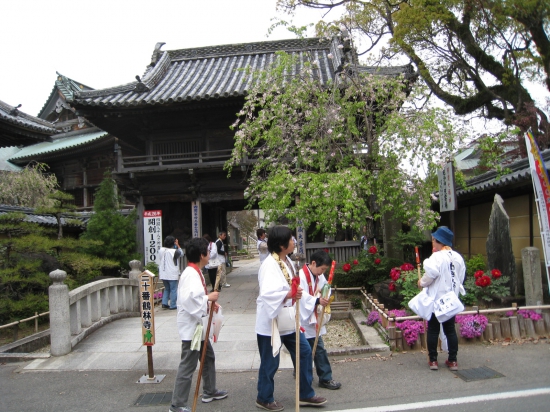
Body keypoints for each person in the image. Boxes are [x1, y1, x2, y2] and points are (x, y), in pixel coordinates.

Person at [255, 225, 327, 411]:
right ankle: (264, 397)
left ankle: (305, 393)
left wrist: (304, 296)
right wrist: (288, 294)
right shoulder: (269, 265)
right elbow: (267, 293)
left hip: (288, 319)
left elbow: (292, 289)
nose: (294, 241)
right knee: (270, 361)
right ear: (281, 244)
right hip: (272, 321)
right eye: (290, 239)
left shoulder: (287, 261)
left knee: (304, 352)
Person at [169, 237, 228, 412]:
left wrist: (209, 303)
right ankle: (177, 404)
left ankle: (210, 390)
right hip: (192, 329)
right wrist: (207, 298)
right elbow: (189, 300)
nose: (210, 255)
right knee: (188, 364)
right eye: (208, 252)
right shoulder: (190, 274)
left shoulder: (195, 272)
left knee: (208, 357)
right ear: (202, 255)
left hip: (199, 326)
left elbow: (196, 299)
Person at [418, 226, 465, 371]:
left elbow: (430, 275)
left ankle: (433, 361)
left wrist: (421, 282)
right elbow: (460, 278)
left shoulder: (437, 257)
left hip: (436, 299)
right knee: (450, 329)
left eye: (433, 240)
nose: (432, 243)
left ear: (438, 241)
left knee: (433, 329)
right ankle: (453, 361)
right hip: (450, 299)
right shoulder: (458, 257)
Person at [298, 249, 342, 390]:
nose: (322, 272)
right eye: (322, 269)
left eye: (324, 270)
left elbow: (325, 288)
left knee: (319, 348)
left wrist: (325, 296)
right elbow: (301, 296)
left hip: (314, 318)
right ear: (313, 263)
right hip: (304, 319)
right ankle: (308, 375)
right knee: (305, 350)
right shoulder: (301, 275)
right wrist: (316, 300)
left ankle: (325, 377)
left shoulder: (319, 275)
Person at [159, 236, 184, 310]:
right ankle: (173, 305)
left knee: (167, 288)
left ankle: (164, 303)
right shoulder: (174, 251)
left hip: (163, 273)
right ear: (173, 243)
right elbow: (181, 253)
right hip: (172, 273)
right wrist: (178, 245)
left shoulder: (161, 250)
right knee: (173, 289)